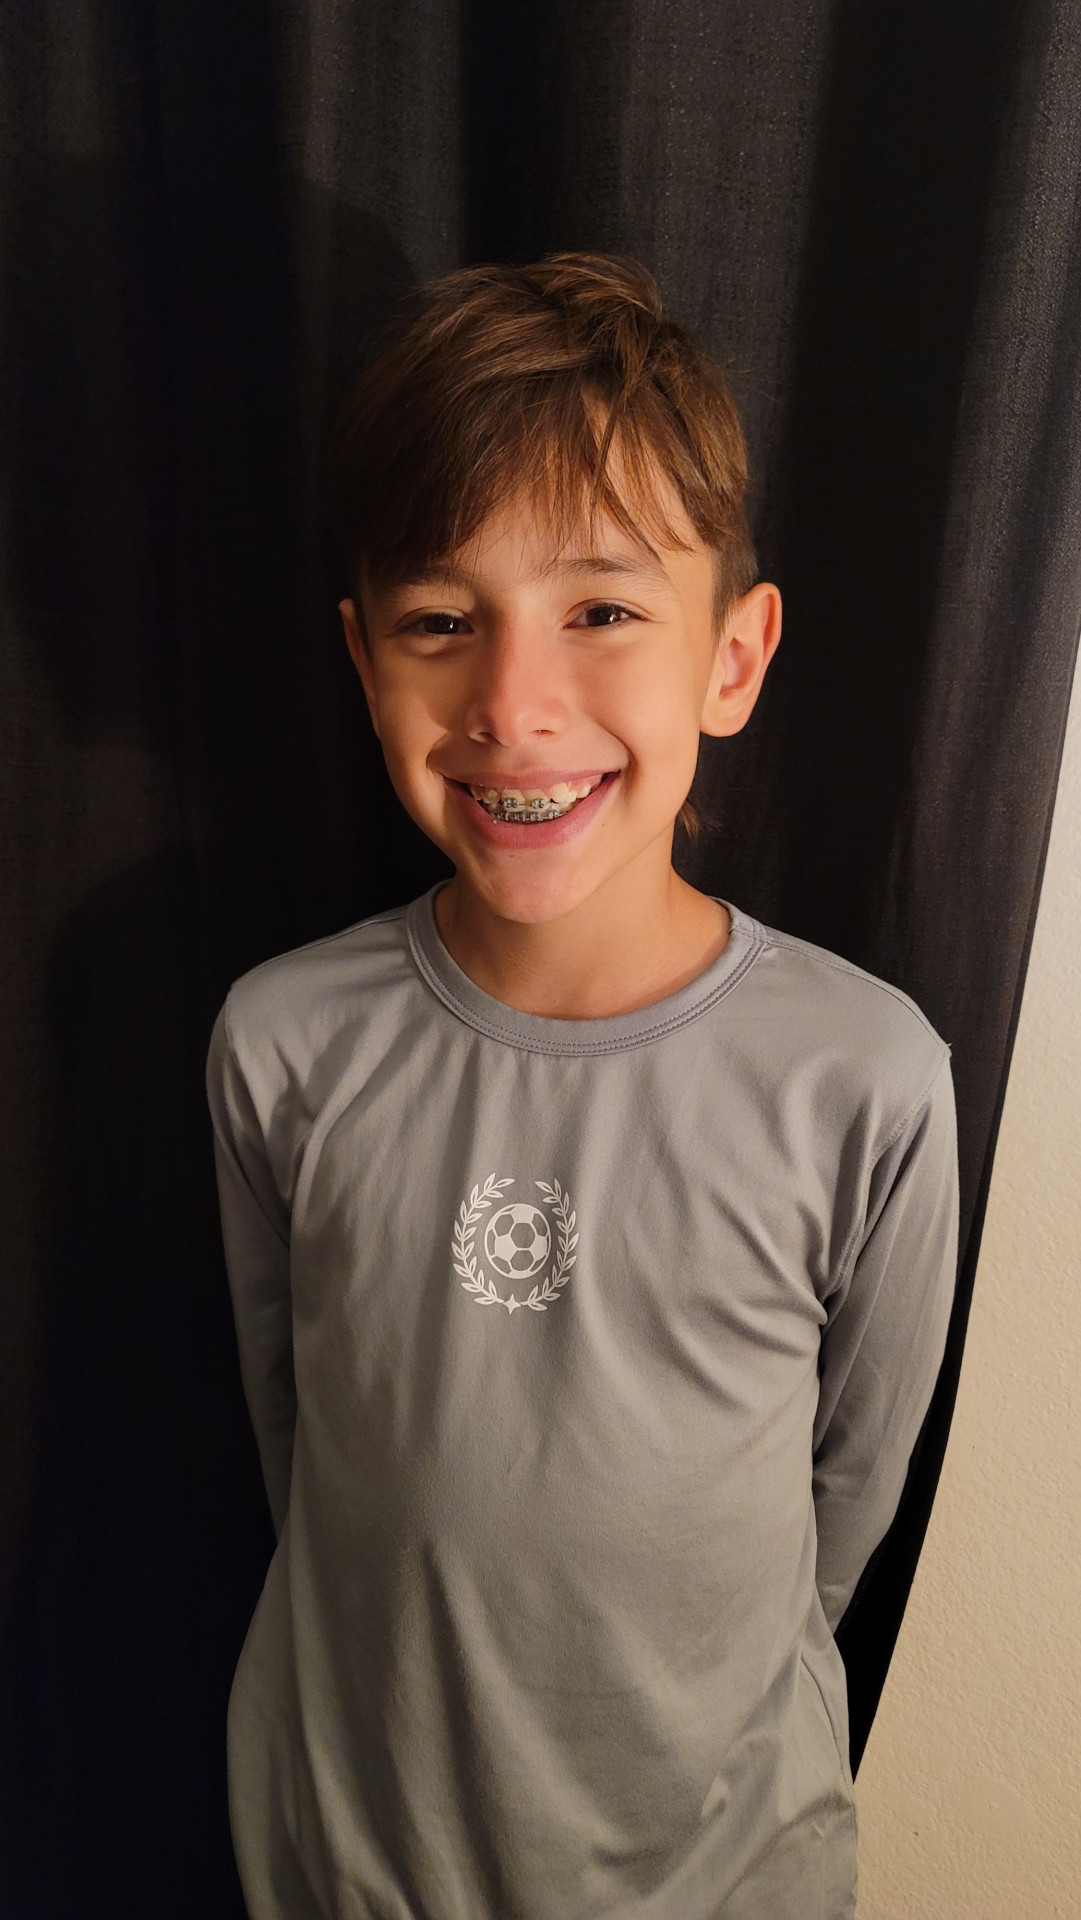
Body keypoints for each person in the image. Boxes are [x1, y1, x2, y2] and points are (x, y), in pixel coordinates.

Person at [206, 253, 959, 1920]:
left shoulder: (864, 1082)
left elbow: (838, 1517)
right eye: (440, 621)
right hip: (341, 1868)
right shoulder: (279, 1043)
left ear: (732, 659)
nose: (512, 706)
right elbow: (297, 1444)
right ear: (365, 660)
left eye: (602, 610)